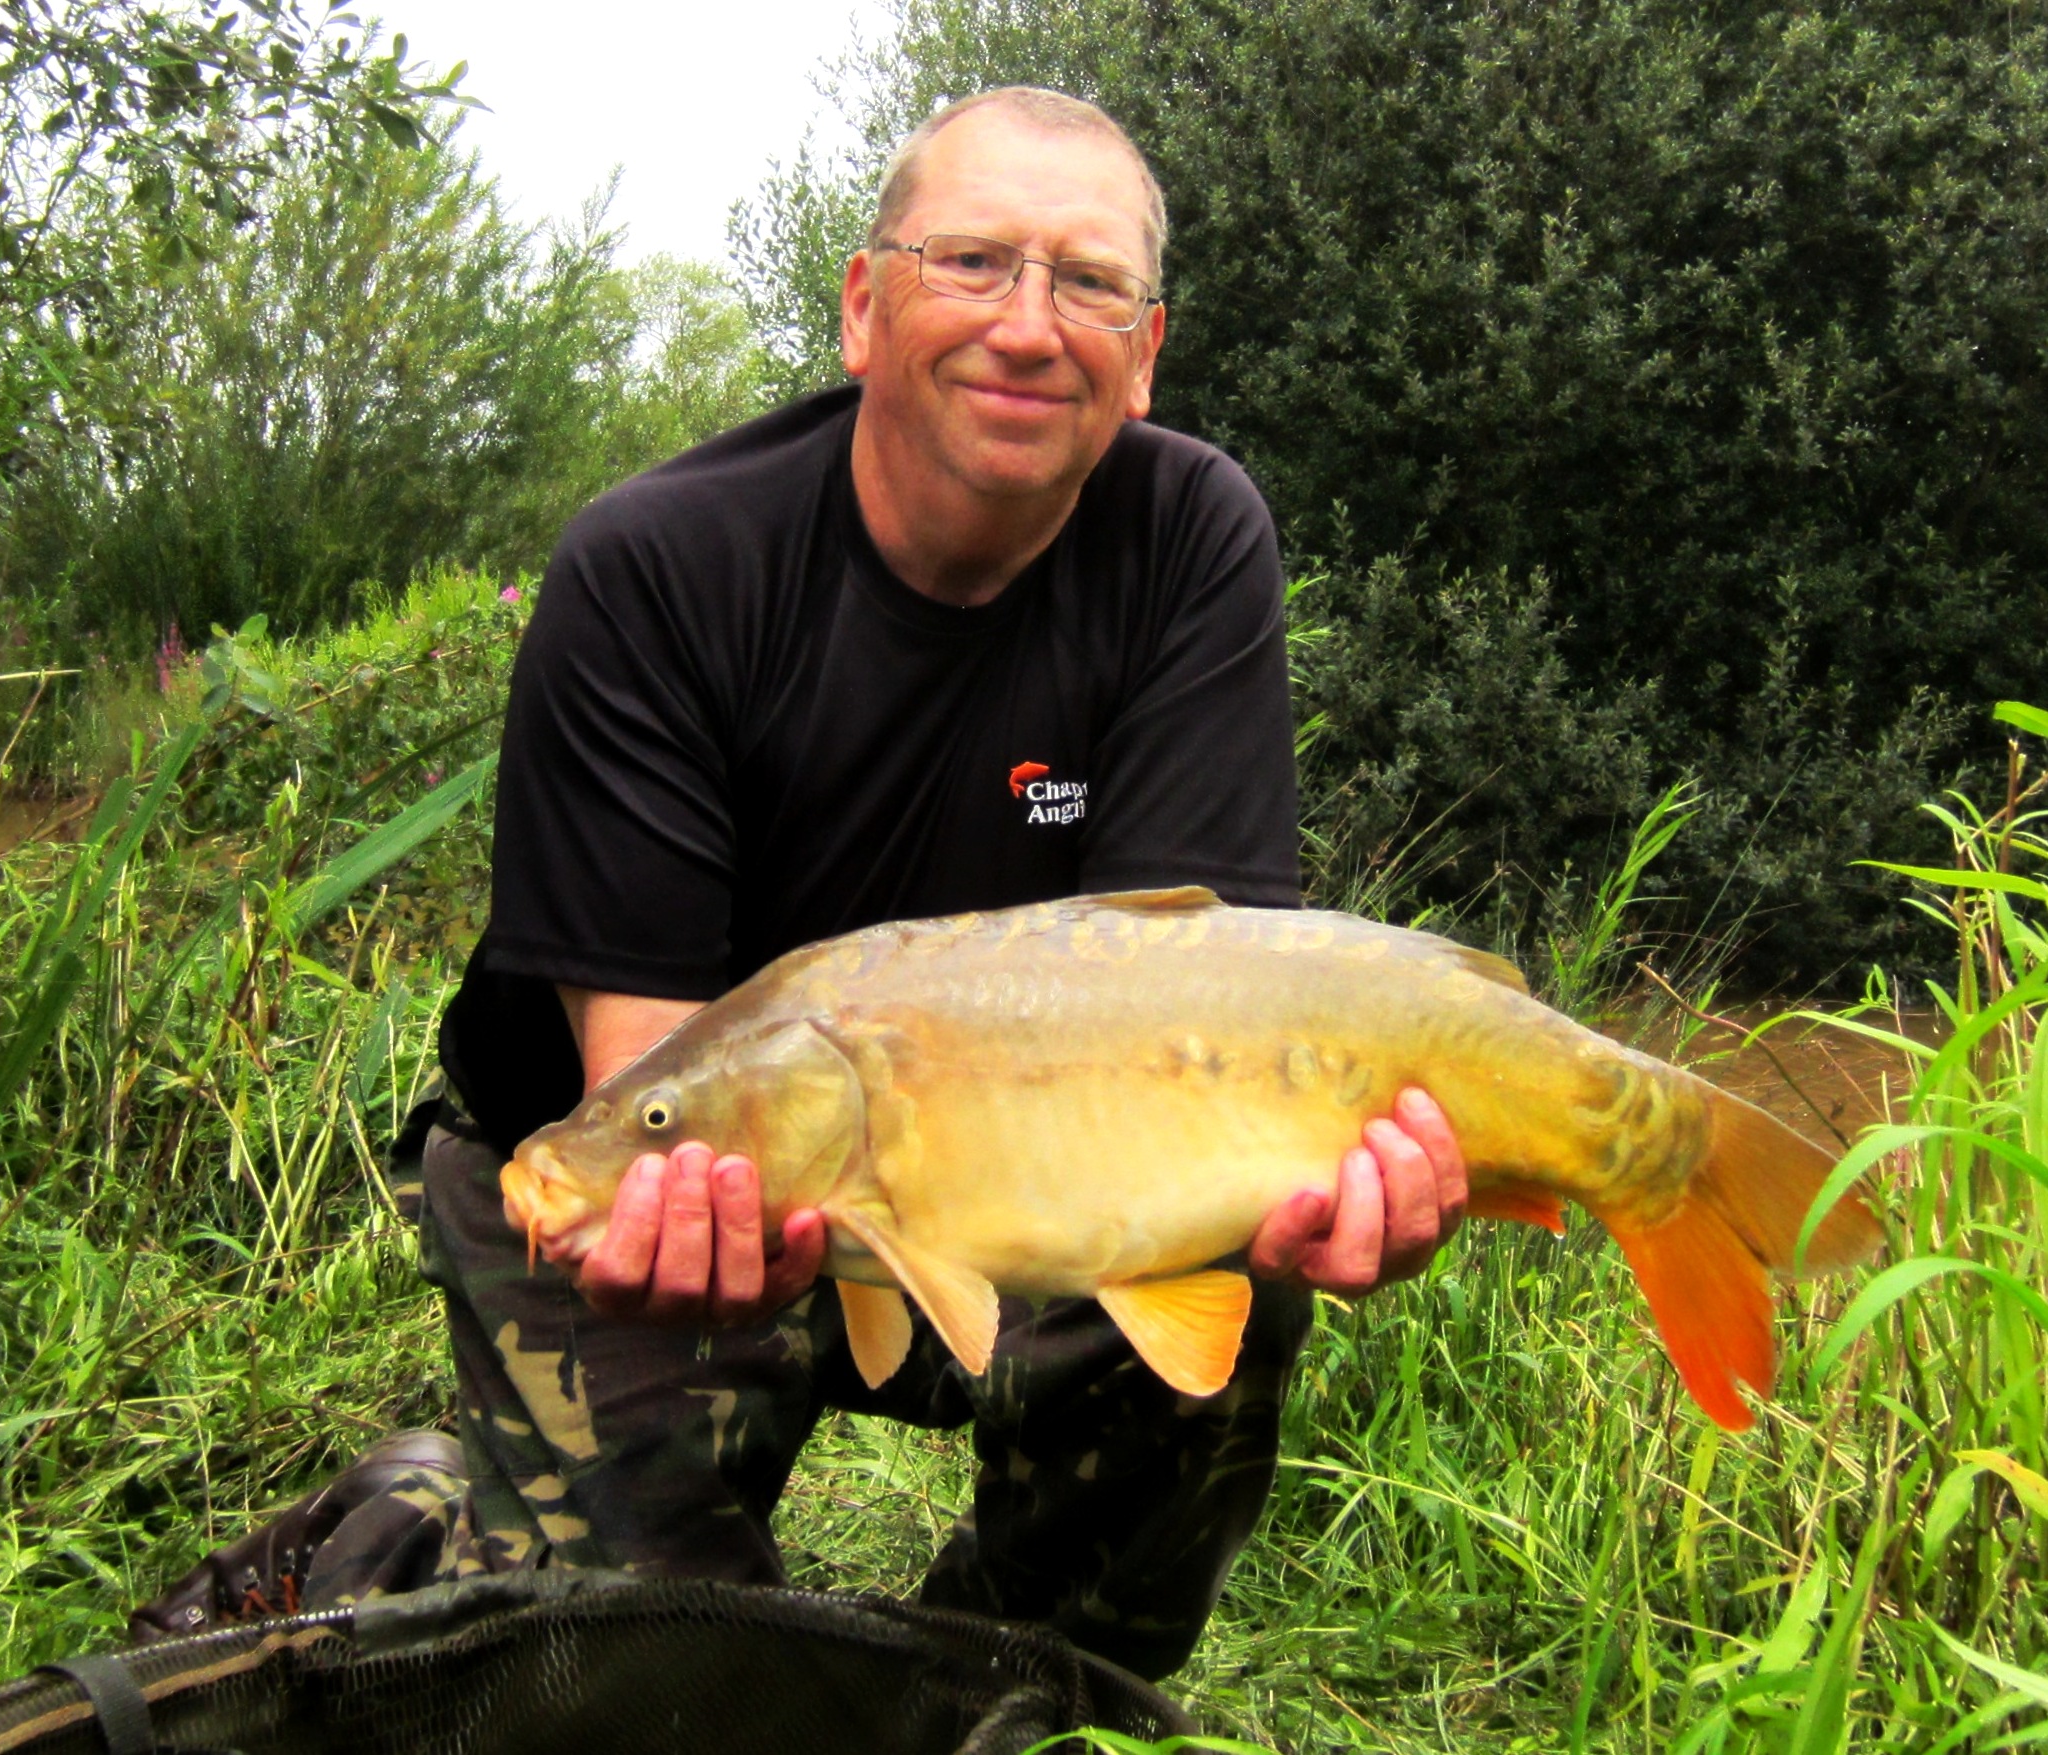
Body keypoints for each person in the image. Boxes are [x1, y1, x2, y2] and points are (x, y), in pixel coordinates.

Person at [131, 85, 1469, 1681]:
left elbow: (1189, 1003)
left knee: (1205, 1343)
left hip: (996, 1181)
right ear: (861, 304)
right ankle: (408, 1525)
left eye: (1088, 282)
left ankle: (994, 1692)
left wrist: (1324, 1180)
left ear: (1148, 347)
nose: (1029, 327)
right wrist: (663, 1186)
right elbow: (651, 1099)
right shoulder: (659, 567)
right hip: (660, 1174)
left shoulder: (1191, 537)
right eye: (970, 261)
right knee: (631, 1672)